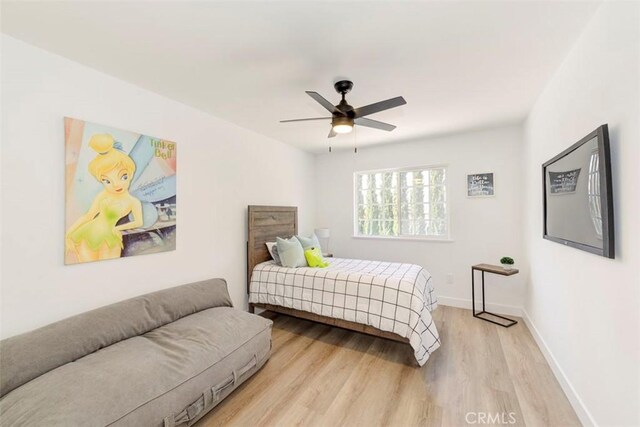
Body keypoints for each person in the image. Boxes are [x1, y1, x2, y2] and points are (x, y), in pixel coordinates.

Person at [66, 134, 143, 263]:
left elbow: (139, 222)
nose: (116, 184)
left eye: (123, 176)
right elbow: (89, 215)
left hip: (110, 237)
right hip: (87, 234)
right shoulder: (104, 195)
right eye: (107, 181)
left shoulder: (133, 202)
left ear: (130, 174)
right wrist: (68, 234)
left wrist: (117, 228)